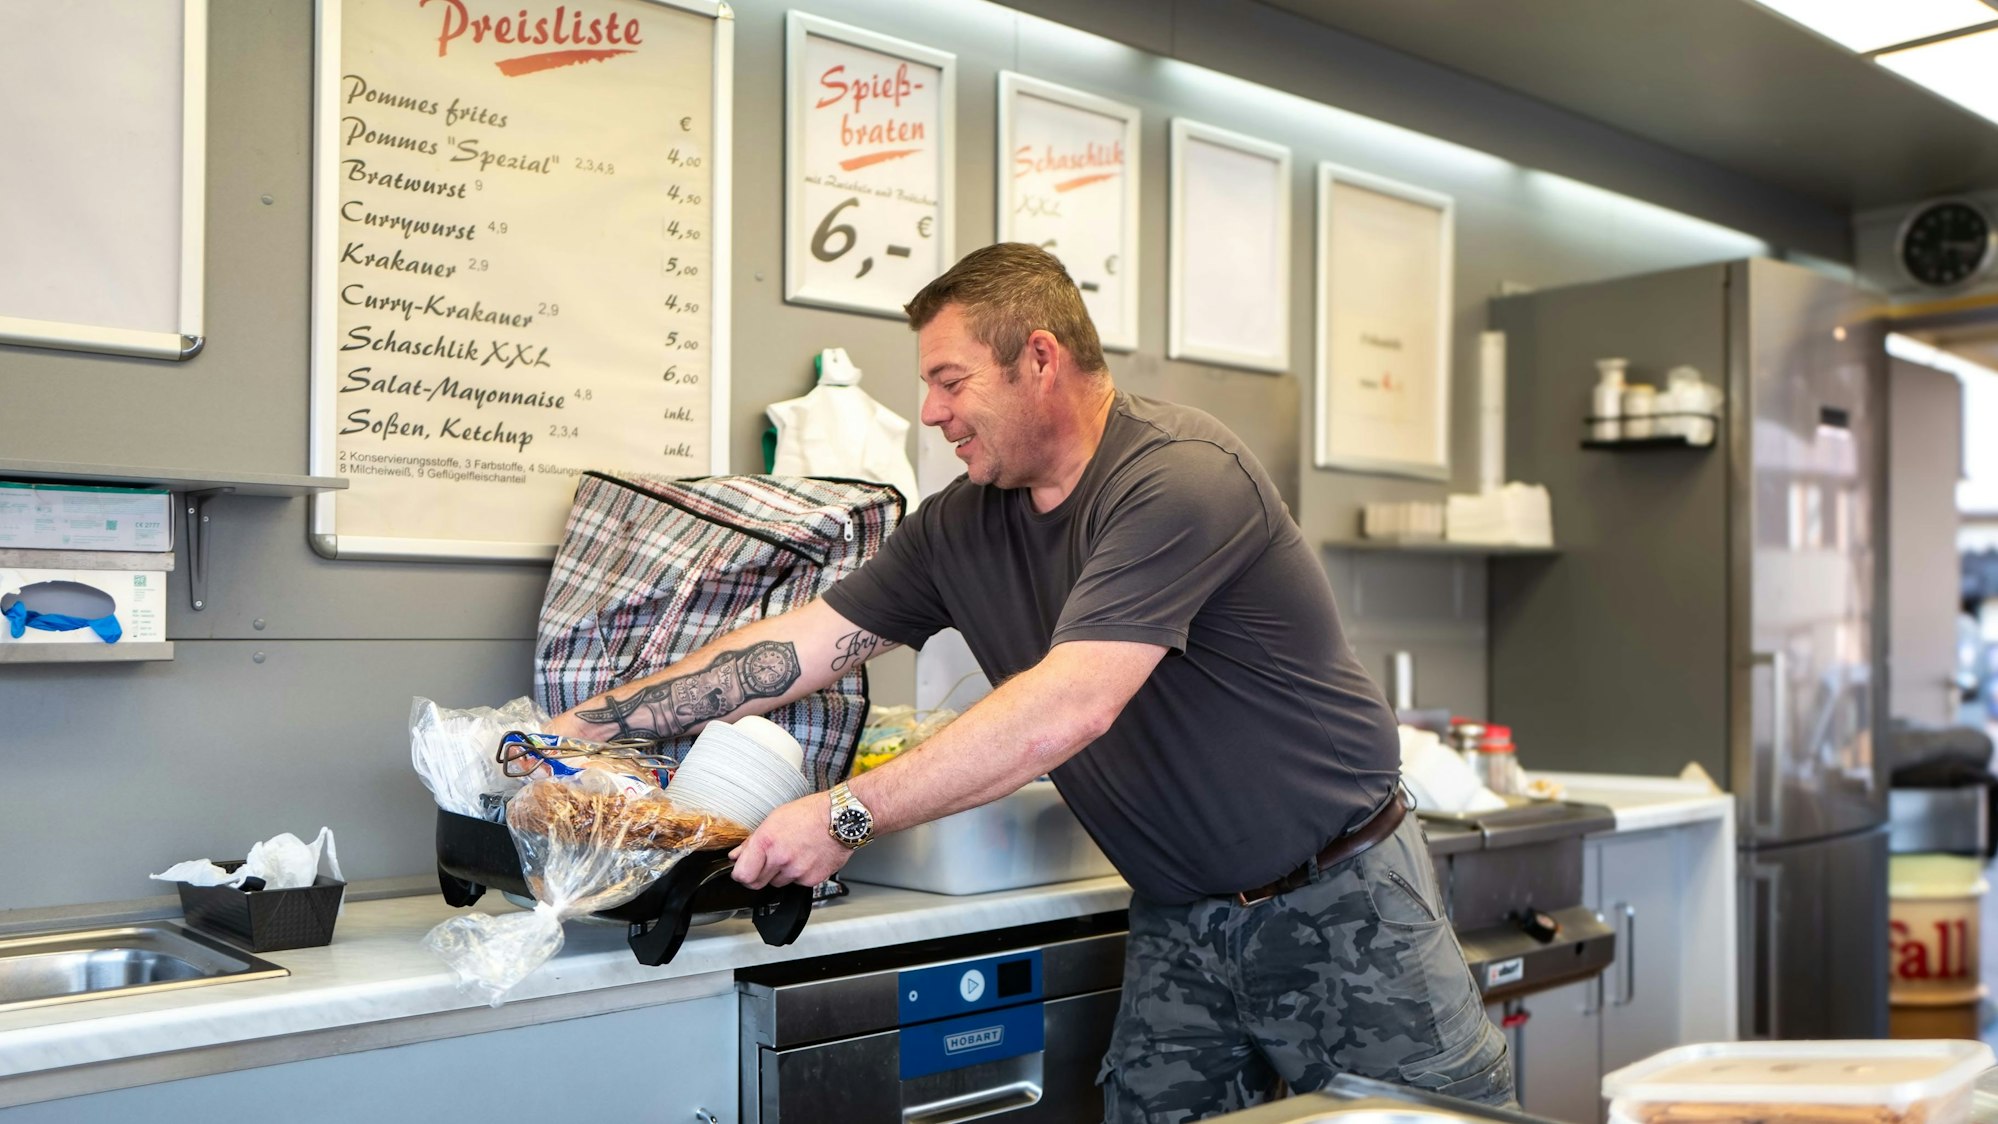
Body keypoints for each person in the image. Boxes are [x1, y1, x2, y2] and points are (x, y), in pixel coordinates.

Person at [549, 243, 1514, 1121]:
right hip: (1181, 919)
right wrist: (582, 728)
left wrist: (840, 816)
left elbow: (1069, 707)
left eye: (949, 380)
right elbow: (803, 647)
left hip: (1342, 903)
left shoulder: (1179, 478)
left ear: (1040, 359)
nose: (931, 411)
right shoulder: (959, 526)